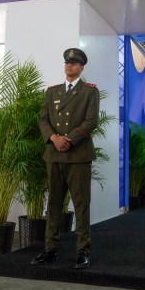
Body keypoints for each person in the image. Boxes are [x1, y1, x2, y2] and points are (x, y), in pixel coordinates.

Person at [32, 47, 100, 270]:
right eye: (67, 63)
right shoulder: (52, 91)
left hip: (77, 155)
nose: (69, 65)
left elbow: (91, 121)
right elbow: (43, 119)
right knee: (53, 204)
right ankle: (50, 249)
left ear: (81, 68)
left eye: (74, 63)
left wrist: (67, 139)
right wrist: (53, 138)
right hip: (54, 154)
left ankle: (83, 251)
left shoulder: (90, 91)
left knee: (81, 205)